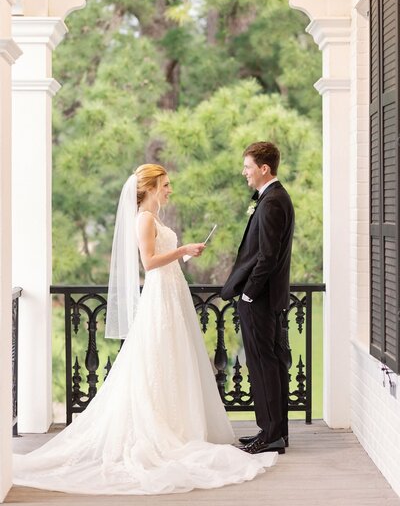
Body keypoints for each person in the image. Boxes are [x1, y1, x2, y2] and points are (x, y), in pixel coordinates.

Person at [13, 164, 277, 495]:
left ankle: (181, 425)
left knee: (175, 359)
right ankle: (161, 430)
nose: (169, 190)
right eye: (165, 185)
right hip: (159, 296)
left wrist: (182, 256)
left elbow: (161, 259)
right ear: (149, 187)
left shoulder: (157, 218)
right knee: (158, 358)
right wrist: (182, 250)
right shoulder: (144, 218)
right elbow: (149, 262)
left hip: (172, 291)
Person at [221, 142, 294, 455]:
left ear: (264, 168)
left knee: (264, 365)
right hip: (267, 298)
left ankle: (272, 436)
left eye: (248, 166)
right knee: (271, 365)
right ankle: (273, 431)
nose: (244, 173)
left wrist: (249, 294)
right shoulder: (274, 198)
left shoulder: (272, 202)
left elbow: (267, 256)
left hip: (261, 299)